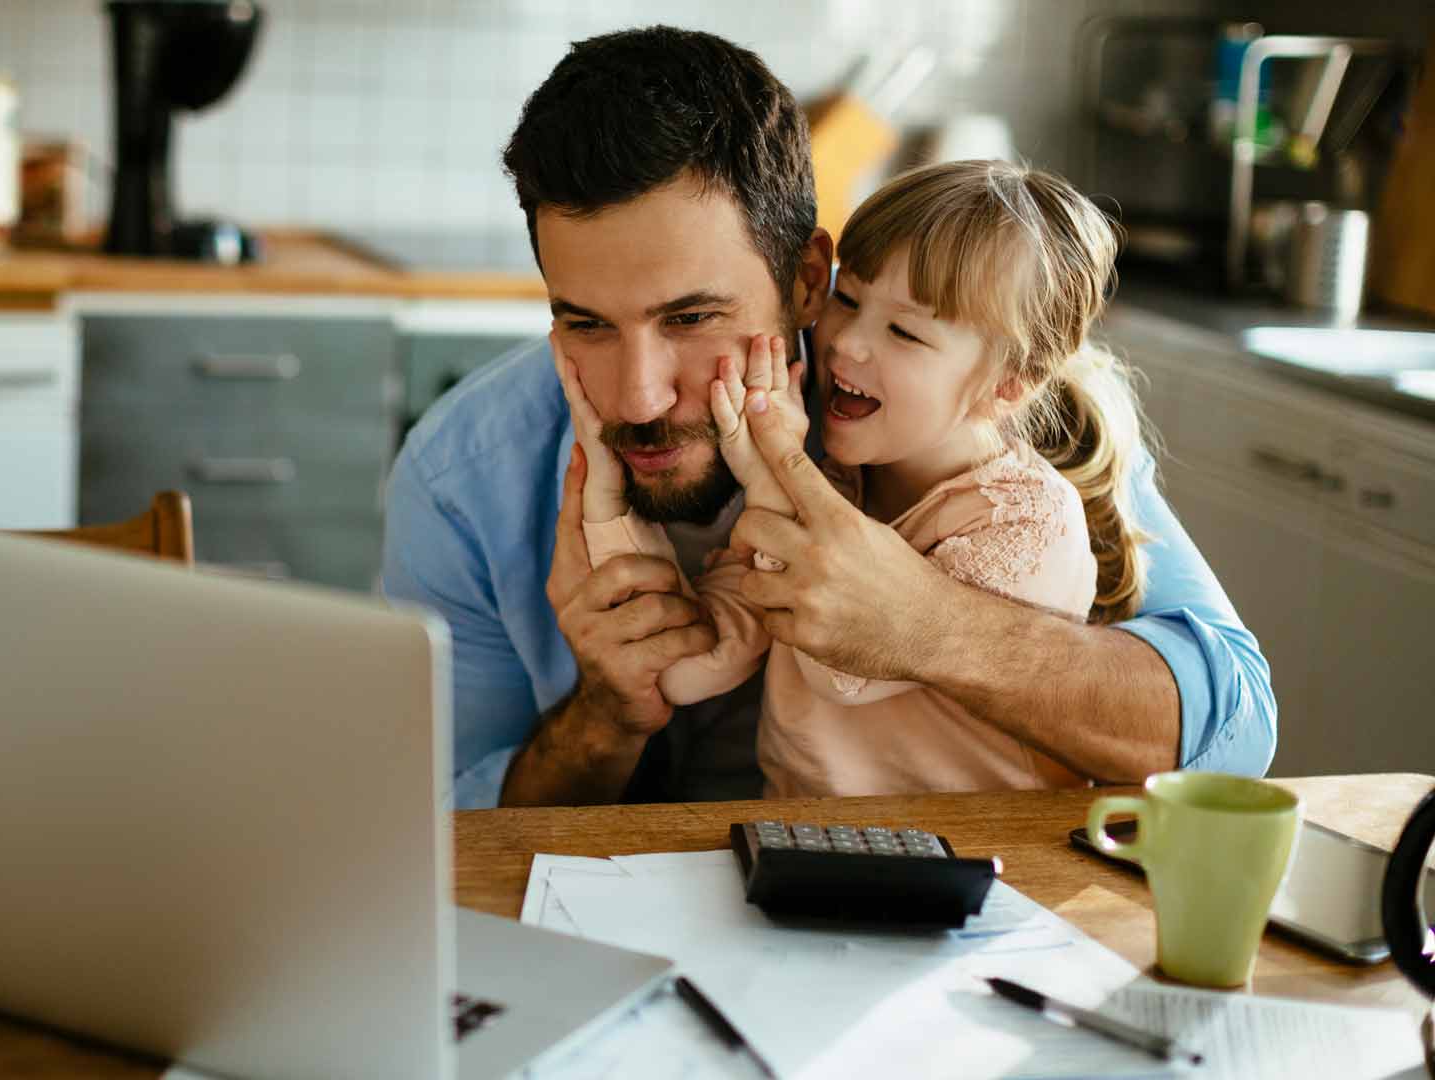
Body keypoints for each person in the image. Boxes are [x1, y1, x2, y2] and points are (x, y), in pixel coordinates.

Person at [380, 26, 1276, 809]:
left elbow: (1232, 728)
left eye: (693, 319)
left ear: (811, 281)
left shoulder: (978, 418)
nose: (640, 397)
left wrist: (928, 625)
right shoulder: (464, 475)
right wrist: (607, 713)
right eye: (585, 323)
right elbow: (441, 835)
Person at [566, 158, 1151, 797]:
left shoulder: (1027, 520)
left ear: (1007, 385)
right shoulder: (840, 481)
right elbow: (689, 672)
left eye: (904, 330)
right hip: (811, 848)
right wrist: (606, 499)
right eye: (849, 299)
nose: (846, 343)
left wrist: (767, 475)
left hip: (982, 864)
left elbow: (843, 666)